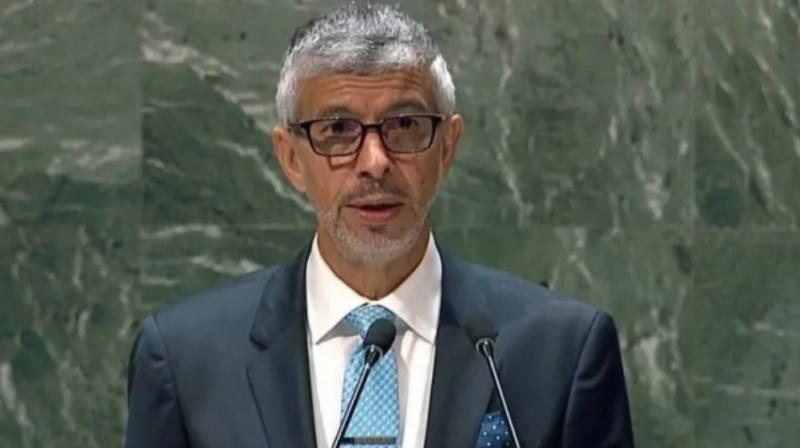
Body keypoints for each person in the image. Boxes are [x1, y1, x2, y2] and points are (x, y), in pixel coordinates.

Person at [124, 2, 634, 447]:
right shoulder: (186, 359)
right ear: (291, 158)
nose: (375, 162)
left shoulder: (561, 352)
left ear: (447, 147)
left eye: (405, 126)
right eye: (338, 129)